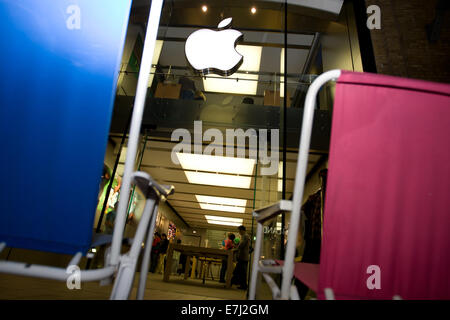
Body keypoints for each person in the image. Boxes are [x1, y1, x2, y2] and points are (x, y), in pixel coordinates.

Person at [231, 225, 250, 290]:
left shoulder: (245, 236)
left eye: (239, 230)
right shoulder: (243, 236)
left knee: (242, 272)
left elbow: (242, 245)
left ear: (242, 230)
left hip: (243, 257)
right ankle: (241, 284)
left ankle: (243, 285)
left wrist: (236, 249)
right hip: (242, 256)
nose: (239, 232)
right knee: (240, 271)